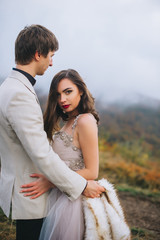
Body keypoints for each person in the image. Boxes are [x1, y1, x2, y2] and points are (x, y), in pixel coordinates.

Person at [0, 25, 104, 240]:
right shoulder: (20, 94)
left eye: (68, 92)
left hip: (40, 192)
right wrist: (82, 184)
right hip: (32, 191)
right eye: (50, 55)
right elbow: (41, 154)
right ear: (38, 54)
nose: (51, 62)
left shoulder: (7, 87)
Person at [21, 69, 101, 239]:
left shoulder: (85, 120)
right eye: (58, 95)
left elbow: (92, 172)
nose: (62, 99)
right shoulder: (69, 122)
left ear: (81, 90)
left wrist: (51, 182)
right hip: (59, 195)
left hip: (71, 203)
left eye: (68, 92)